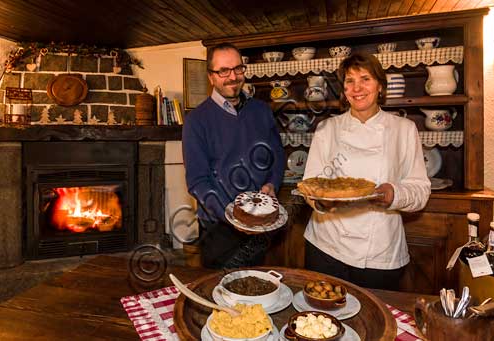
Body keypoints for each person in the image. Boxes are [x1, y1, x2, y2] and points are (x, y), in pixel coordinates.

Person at [302, 52, 431, 290]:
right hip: (326, 246)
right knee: (321, 321)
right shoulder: (327, 129)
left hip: (379, 253)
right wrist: (321, 203)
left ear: (380, 86)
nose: (357, 88)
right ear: (343, 90)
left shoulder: (403, 129)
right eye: (350, 81)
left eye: (365, 79)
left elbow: (420, 191)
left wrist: (393, 194)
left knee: (375, 321)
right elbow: (312, 184)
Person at [182, 42, 285, 269]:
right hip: (218, 229)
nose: (233, 77)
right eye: (223, 71)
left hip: (259, 222)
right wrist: (232, 216)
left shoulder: (262, 110)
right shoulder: (196, 121)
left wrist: (271, 183)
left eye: (238, 69)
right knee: (218, 294)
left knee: (255, 287)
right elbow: (197, 181)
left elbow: (277, 153)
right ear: (211, 77)